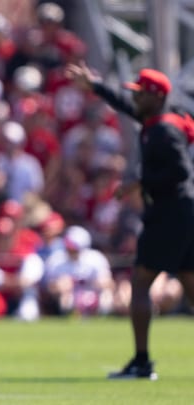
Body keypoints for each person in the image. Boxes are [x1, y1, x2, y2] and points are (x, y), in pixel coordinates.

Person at [66, 63, 194, 380]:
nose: (134, 98)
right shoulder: (160, 119)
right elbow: (124, 106)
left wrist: (140, 181)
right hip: (182, 211)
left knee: (140, 282)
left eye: (140, 93)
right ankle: (140, 361)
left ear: (156, 96)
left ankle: (141, 362)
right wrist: (96, 85)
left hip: (170, 213)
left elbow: (179, 171)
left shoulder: (164, 131)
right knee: (191, 287)